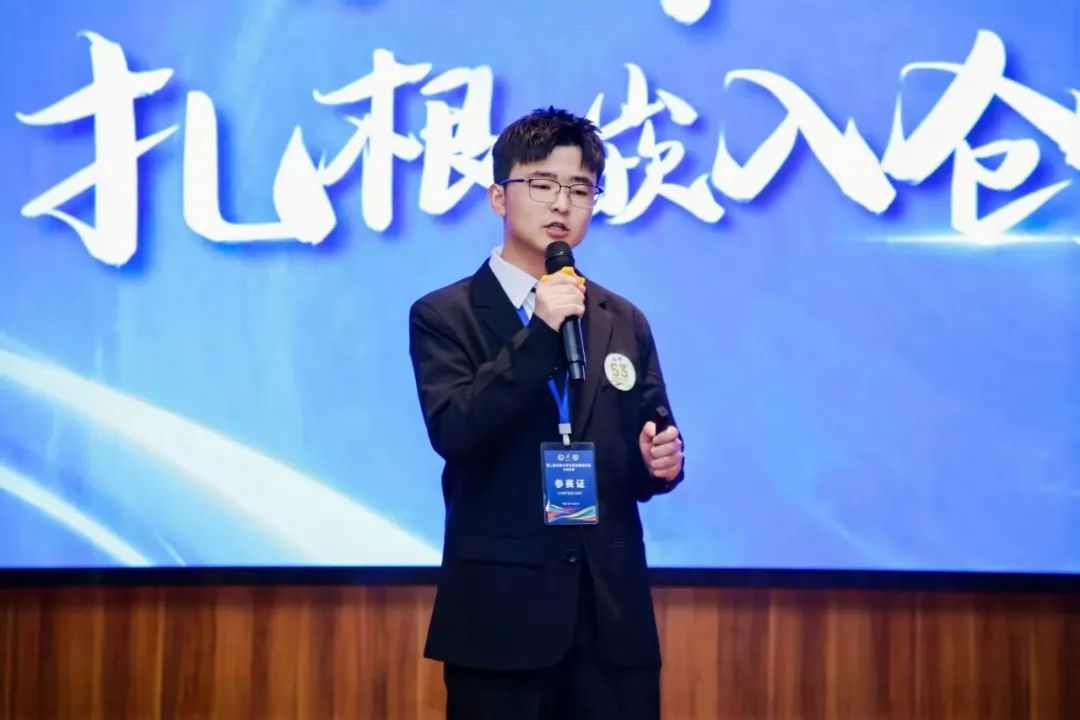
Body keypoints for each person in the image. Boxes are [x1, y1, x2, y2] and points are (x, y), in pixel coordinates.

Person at [408, 106, 685, 720]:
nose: (562, 203)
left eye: (580, 189)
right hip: (501, 622)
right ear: (498, 197)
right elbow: (456, 430)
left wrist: (659, 463)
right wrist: (539, 331)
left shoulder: (621, 318)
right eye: (542, 184)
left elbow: (648, 437)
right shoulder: (445, 315)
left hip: (609, 621)